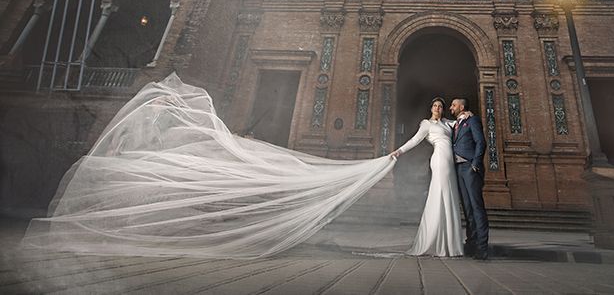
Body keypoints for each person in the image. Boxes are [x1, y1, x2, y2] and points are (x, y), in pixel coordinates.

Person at [22, 73, 397, 259]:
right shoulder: (159, 122)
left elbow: (140, 140)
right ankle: (130, 229)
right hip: (157, 158)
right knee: (154, 191)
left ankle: (126, 229)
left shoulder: (159, 121)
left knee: (153, 190)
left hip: (157, 158)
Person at [390, 97, 469, 257]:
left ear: (443, 109)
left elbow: (460, 123)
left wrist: (467, 113)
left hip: (450, 162)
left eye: (440, 106)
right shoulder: (427, 124)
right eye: (435, 105)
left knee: (449, 196)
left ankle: (448, 241)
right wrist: (399, 151)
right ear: (431, 108)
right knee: (442, 194)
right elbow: (415, 140)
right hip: (440, 160)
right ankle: (437, 240)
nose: (437, 108)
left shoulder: (447, 122)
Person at [450, 97, 489, 260]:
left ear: (462, 106)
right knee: (467, 208)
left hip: (469, 167)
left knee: (476, 207)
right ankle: (471, 244)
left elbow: (481, 142)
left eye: (454, 105)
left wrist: (476, 163)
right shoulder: (455, 124)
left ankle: (482, 247)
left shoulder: (472, 120)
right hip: (458, 169)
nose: (451, 107)